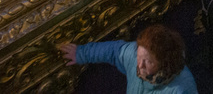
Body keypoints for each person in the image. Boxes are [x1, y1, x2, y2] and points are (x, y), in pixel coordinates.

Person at [60, 24, 198, 93]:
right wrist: (81, 53)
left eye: (148, 62)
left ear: (164, 63)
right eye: (139, 57)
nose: (140, 65)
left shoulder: (181, 88)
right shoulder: (135, 56)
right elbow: (113, 51)